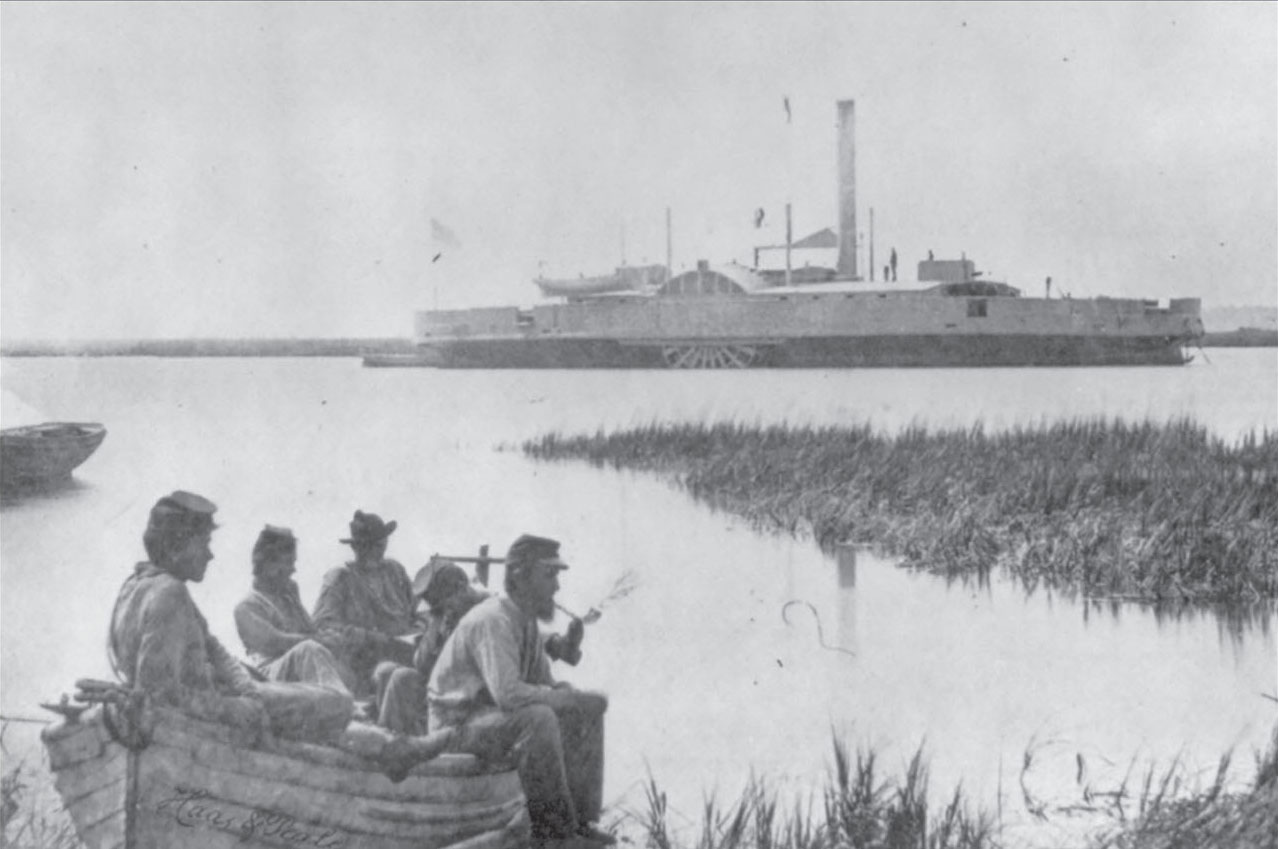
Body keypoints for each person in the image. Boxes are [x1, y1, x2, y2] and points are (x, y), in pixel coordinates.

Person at [109, 492, 455, 780]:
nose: (211, 554)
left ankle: (388, 744)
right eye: (205, 542)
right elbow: (159, 694)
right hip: (221, 704)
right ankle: (391, 747)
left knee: (328, 710)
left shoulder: (137, 585)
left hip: (236, 693)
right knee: (335, 704)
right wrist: (235, 707)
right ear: (176, 547)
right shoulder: (171, 593)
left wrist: (246, 691)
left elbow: (215, 650)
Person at [428, 534, 613, 846]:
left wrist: (572, 696)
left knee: (583, 707)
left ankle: (582, 821)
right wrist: (562, 698)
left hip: (486, 719)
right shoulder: (493, 620)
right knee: (538, 719)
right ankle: (553, 833)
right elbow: (508, 694)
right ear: (519, 575)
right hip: (453, 726)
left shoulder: (524, 621)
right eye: (549, 575)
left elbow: (545, 682)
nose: (556, 587)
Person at [372, 557, 489, 735]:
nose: (446, 611)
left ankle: (396, 745)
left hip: (470, 694)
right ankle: (390, 742)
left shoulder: (485, 612)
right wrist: (435, 624)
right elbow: (421, 663)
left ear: (461, 588)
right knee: (389, 672)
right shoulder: (445, 615)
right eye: (439, 608)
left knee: (402, 677)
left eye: (446, 605)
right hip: (444, 686)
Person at [234, 524, 352, 692]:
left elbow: (308, 629)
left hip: (299, 666)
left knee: (337, 659)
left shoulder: (288, 594)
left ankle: (348, 699)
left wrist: (328, 637)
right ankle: (343, 703)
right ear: (268, 564)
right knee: (309, 650)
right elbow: (276, 642)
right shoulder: (247, 606)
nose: (293, 569)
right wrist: (318, 640)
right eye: (289, 562)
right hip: (269, 677)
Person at [312, 510, 417, 697]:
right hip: (363, 663)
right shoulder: (340, 579)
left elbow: (417, 609)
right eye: (371, 546)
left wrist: (418, 631)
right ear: (356, 547)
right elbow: (322, 626)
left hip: (406, 652)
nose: (378, 552)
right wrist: (370, 637)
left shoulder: (395, 571)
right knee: (389, 675)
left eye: (381, 545)